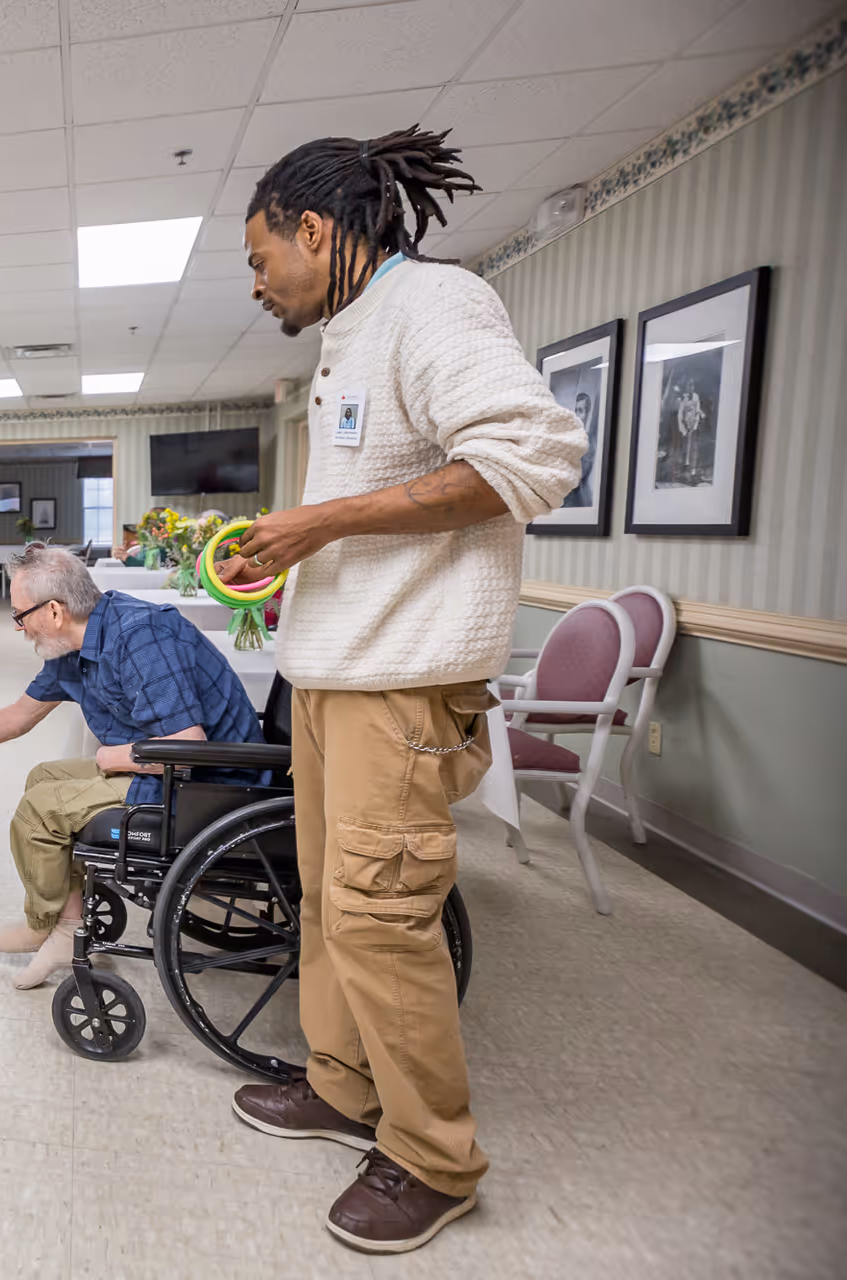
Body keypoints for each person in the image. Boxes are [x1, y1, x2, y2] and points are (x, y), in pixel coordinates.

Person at [223, 126, 586, 1253]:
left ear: (317, 231)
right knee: (331, 900)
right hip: (337, 676)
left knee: (385, 918)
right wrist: (289, 551)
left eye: (259, 256)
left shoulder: (434, 305)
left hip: (402, 683)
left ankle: (434, 1155)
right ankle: (341, 1084)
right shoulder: (350, 336)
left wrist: (317, 519)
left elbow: (533, 457)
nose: (255, 279)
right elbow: (382, 502)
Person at [0, 546, 262, 989]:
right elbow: (19, 715)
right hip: (166, 770)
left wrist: (112, 757)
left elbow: (186, 747)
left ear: (53, 610)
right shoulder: (75, 644)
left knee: (42, 810)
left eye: (19, 614)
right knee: (43, 778)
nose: (18, 627)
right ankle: (62, 920)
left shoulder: (141, 635)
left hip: (212, 783)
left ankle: (58, 928)